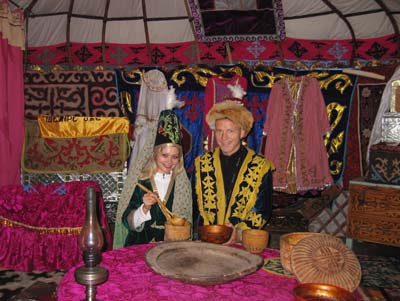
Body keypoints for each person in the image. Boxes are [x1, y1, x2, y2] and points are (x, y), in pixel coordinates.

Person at [193, 100, 275, 244]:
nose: (223, 138)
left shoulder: (260, 166)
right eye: (219, 131)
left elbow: (262, 210)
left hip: (242, 241)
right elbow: (193, 207)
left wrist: (238, 233)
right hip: (207, 240)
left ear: (242, 132)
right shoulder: (202, 163)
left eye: (230, 131)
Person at [121, 109, 192, 246]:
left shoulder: (181, 185)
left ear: (180, 158)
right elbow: (126, 220)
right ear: (154, 154)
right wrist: (144, 208)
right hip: (140, 245)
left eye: (174, 157)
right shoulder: (141, 180)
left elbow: (186, 219)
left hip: (170, 247)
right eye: (164, 155)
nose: (169, 162)